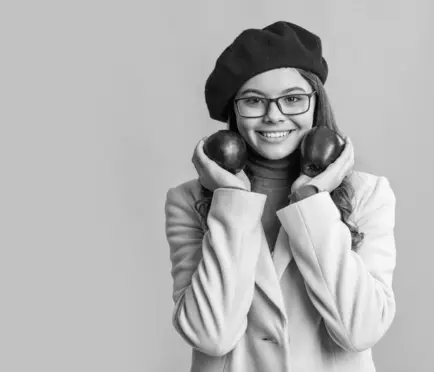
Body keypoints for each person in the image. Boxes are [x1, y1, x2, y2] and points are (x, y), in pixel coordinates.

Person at [164, 21, 397, 372]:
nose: (274, 115)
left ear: (316, 102)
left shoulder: (369, 194)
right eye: (254, 101)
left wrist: (311, 201)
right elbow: (211, 336)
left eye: (292, 98)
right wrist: (231, 202)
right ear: (234, 112)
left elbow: (360, 331)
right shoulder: (187, 200)